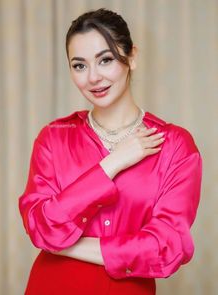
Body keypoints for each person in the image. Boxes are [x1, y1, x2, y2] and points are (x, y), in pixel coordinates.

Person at [18, 8, 202, 295]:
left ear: (132, 56)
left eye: (105, 60)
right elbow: (41, 224)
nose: (93, 78)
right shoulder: (53, 139)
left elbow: (167, 246)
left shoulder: (174, 145)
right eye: (79, 66)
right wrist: (112, 164)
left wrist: (64, 244)